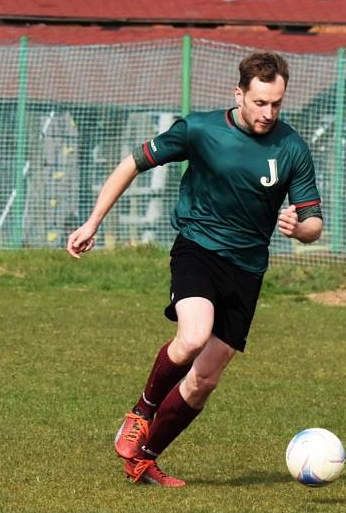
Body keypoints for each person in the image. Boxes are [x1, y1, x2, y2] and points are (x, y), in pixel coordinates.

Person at [66, 52, 323, 487]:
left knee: (204, 380)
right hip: (198, 249)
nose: (269, 113)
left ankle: (144, 458)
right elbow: (133, 163)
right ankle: (141, 411)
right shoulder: (200, 129)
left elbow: (315, 222)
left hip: (247, 270)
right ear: (238, 94)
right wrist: (93, 222)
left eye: (277, 104)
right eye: (260, 103)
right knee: (192, 336)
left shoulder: (292, 147)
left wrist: (299, 229)